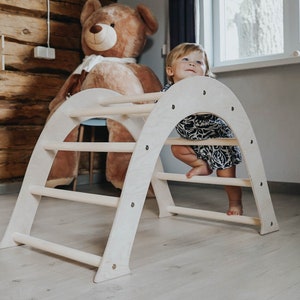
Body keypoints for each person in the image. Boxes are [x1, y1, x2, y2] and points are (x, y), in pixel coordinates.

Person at [162, 43, 243, 215]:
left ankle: (235, 203)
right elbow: (159, 109)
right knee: (176, 148)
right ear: (170, 71)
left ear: (205, 73)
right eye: (186, 59)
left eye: (199, 62)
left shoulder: (206, 88)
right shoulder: (168, 92)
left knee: (226, 177)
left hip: (218, 141)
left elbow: (217, 103)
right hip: (194, 142)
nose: (192, 64)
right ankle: (202, 165)